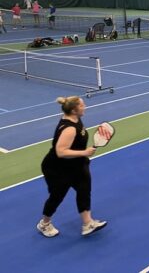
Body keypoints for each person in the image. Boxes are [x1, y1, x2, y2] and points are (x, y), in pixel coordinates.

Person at [37, 96, 107, 238]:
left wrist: (82, 154)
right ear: (74, 110)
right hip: (57, 168)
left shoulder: (75, 118)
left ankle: (87, 223)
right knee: (57, 196)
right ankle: (44, 224)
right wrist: (85, 152)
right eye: (82, 105)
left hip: (76, 164)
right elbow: (61, 152)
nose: (85, 106)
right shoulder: (69, 129)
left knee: (84, 189)